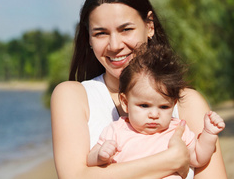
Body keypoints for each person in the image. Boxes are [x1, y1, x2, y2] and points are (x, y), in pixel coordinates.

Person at [51, 0, 227, 179]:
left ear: (149, 26)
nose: (115, 45)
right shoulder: (73, 97)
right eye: (101, 33)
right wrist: (170, 160)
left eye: (126, 29)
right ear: (89, 38)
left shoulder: (188, 103)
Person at [87, 43, 225, 177]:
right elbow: (90, 159)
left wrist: (208, 134)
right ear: (125, 102)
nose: (154, 115)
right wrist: (100, 155)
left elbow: (198, 158)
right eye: (144, 106)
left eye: (164, 107)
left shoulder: (176, 130)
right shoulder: (117, 130)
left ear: (174, 104)